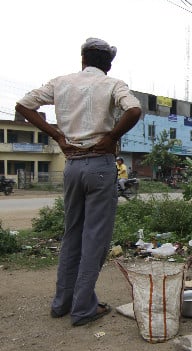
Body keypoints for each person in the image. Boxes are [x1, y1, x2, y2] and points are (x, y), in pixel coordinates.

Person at [15, 37, 142, 326]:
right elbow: (134, 110)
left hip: (72, 165)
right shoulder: (113, 84)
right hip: (100, 165)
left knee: (73, 234)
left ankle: (62, 303)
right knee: (95, 239)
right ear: (108, 64)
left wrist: (58, 136)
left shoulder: (61, 82)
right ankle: (84, 308)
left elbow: (24, 105)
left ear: (83, 59)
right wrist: (110, 137)